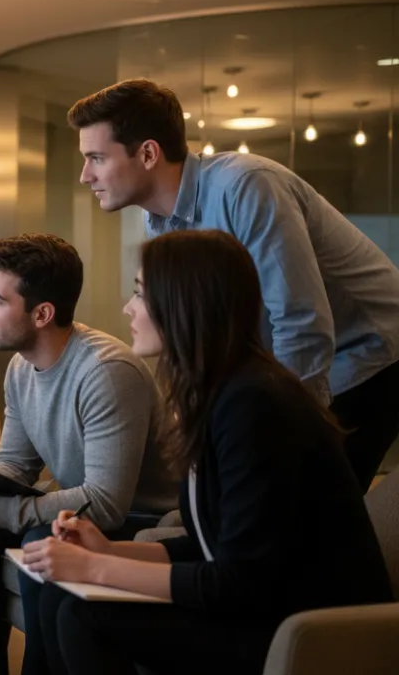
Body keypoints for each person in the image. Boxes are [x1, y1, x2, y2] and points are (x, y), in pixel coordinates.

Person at [18, 229, 392, 675]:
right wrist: (112, 550)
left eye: (140, 292)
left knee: (82, 616)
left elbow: (238, 579)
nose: (128, 307)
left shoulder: (255, 405)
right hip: (264, 609)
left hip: (305, 633)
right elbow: (212, 541)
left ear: (183, 303)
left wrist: (98, 567)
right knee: (62, 599)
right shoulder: (221, 393)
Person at [69, 78, 399, 490]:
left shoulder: (245, 185)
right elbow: (199, 329)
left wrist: (284, 437)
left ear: (148, 153)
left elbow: (302, 324)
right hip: (288, 363)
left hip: (365, 357)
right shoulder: (160, 222)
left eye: (96, 158)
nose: (86, 175)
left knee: (306, 511)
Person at [0, 233, 174, 675]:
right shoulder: (21, 368)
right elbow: (16, 464)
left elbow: (106, 504)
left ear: (42, 314)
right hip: (81, 502)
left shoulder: (107, 372)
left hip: (140, 519)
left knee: (39, 539)